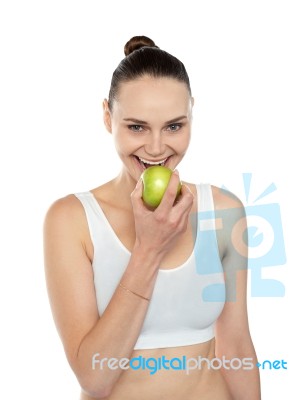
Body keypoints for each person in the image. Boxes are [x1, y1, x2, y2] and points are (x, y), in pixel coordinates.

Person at [43, 35, 261, 400]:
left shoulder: (224, 212)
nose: (157, 148)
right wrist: (149, 248)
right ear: (107, 117)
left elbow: (237, 348)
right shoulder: (72, 221)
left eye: (174, 126)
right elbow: (94, 378)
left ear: (191, 114)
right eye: (136, 127)